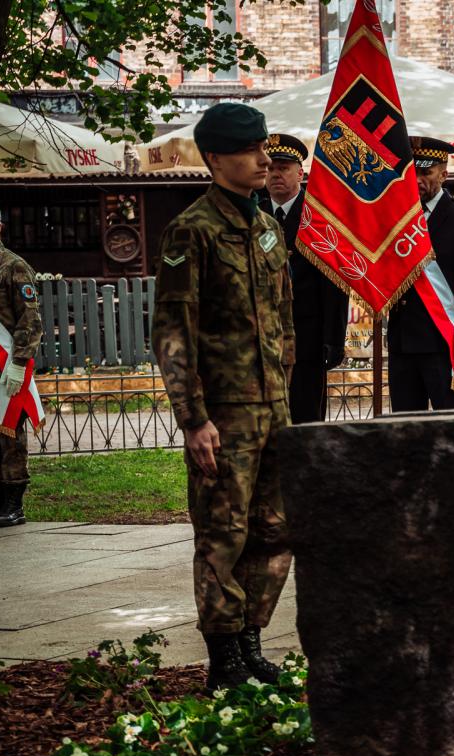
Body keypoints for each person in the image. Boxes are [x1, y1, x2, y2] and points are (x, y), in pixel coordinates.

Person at [152, 102, 294, 692]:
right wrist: (194, 419)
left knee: (276, 531)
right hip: (224, 415)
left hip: (274, 408)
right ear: (215, 159)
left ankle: (251, 641)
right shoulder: (191, 230)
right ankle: (224, 659)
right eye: (250, 150)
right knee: (222, 533)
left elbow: (283, 319)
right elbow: (173, 331)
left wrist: (286, 389)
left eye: (264, 148)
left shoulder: (266, 225)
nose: (265, 159)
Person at [387, 137, 454, 411]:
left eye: (426, 172)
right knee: (407, 431)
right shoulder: (396, 217)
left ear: (444, 174)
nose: (417, 179)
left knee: (452, 431)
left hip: (445, 344)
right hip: (403, 342)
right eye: (412, 172)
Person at [259, 133, 349, 424]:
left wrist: (333, 338)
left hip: (306, 336)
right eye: (271, 168)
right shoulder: (252, 212)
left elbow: (334, 281)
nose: (276, 175)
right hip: (261, 335)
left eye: (283, 168)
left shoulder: (318, 214)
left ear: (300, 172)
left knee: (306, 415)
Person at [0, 200, 40, 528]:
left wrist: (20, 363)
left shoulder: (13, 267)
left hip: (4, 371)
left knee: (8, 434)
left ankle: (14, 502)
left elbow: (29, 320)